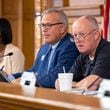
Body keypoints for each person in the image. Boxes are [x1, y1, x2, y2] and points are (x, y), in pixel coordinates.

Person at [12, 8, 79, 88]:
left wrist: (24, 81)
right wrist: (10, 77)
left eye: (49, 25)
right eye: (42, 25)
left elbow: (56, 77)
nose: (44, 29)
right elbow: (33, 72)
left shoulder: (70, 46)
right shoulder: (44, 47)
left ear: (62, 28)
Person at [55, 15, 110, 91]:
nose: (77, 40)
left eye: (82, 34)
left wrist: (70, 85)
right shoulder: (83, 56)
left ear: (96, 35)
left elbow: (91, 85)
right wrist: (77, 84)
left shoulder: (107, 51)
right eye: (75, 35)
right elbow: (59, 83)